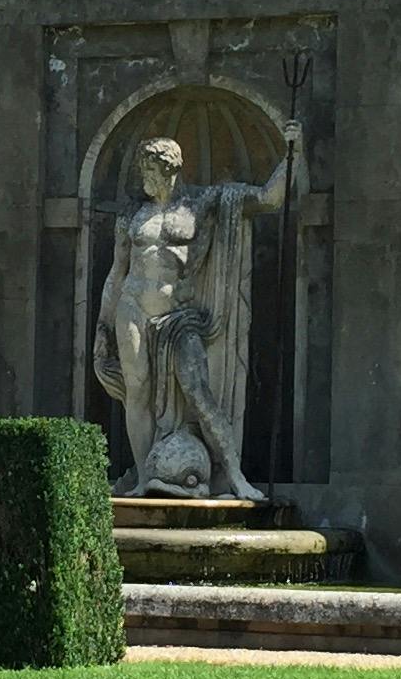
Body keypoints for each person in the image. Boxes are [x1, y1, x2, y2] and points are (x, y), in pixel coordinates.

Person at [92, 124, 299, 500]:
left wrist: (292, 155)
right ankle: (143, 478)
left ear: (170, 169)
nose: (145, 179)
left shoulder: (201, 204)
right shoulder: (133, 214)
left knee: (199, 393)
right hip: (132, 307)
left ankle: (235, 477)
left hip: (178, 316)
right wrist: (103, 327)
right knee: (136, 393)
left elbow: (269, 200)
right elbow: (115, 272)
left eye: (150, 172)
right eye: (142, 172)